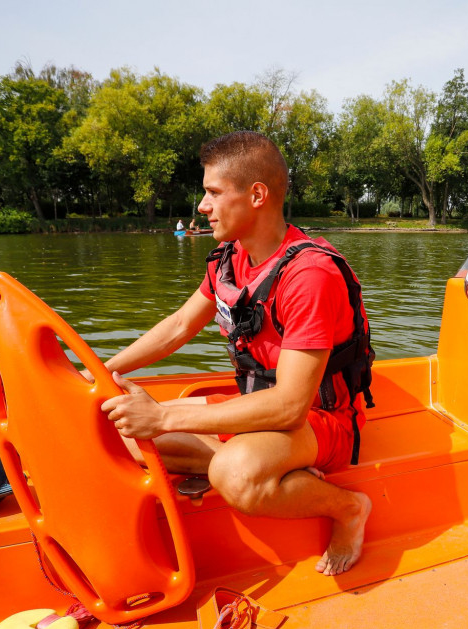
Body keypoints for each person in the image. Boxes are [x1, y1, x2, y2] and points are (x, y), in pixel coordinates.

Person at [98, 131, 373, 576]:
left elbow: (289, 405)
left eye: (212, 193)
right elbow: (179, 327)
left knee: (236, 476)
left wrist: (165, 416)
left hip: (321, 421)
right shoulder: (230, 258)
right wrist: (99, 372)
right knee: (121, 436)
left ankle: (348, 509)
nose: (202, 206)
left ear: (257, 195)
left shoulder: (309, 275)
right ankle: (280, 474)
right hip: (255, 410)